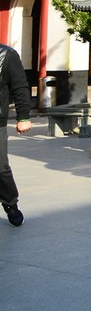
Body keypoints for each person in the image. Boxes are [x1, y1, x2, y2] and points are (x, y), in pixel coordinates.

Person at [0, 43, 32, 226]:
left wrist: (23, 117)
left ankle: (10, 203)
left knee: (1, 168)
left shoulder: (7, 54)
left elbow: (20, 87)